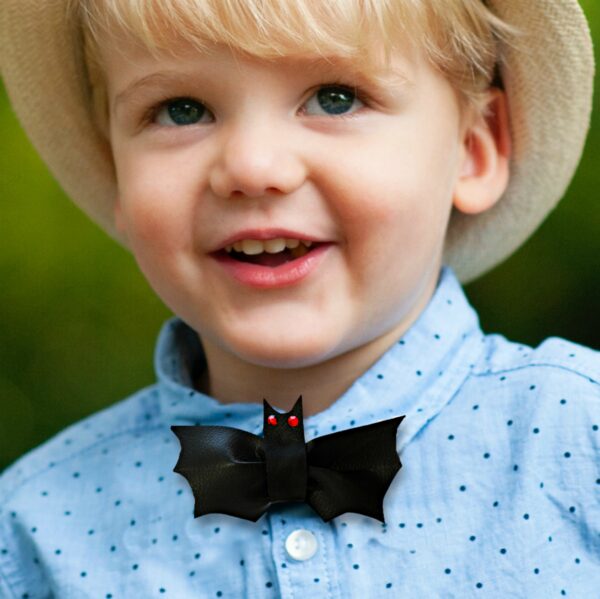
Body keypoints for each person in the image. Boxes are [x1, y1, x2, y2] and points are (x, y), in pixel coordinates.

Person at [0, 0, 597, 596]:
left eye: (335, 97)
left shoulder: (580, 442)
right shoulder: (34, 533)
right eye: (181, 111)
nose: (253, 166)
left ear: (474, 145)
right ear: (118, 177)